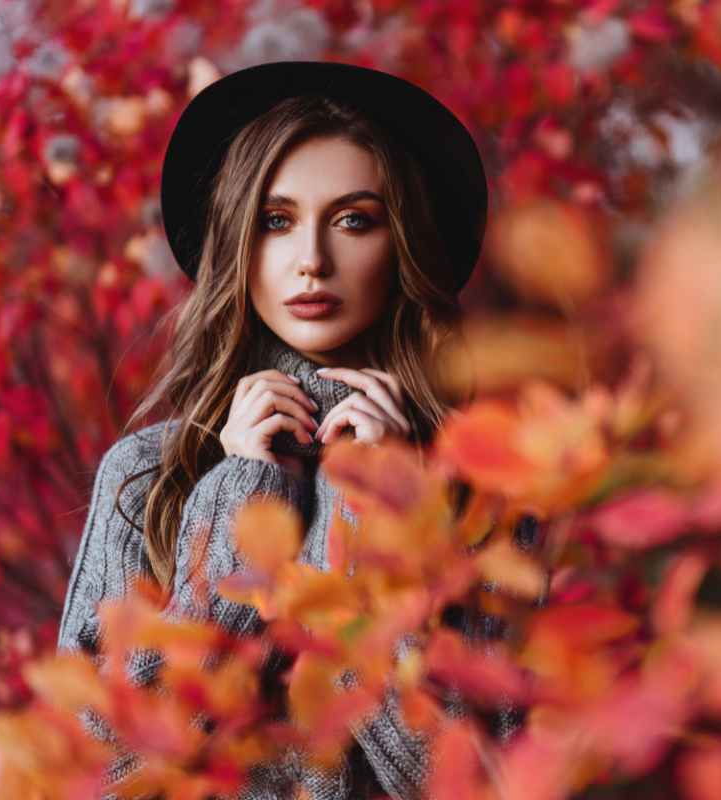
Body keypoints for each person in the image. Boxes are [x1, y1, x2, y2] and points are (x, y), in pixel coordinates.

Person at [56, 61, 528, 800]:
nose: (311, 260)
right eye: (276, 222)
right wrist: (241, 503)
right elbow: (90, 770)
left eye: (353, 220)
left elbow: (489, 783)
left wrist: (373, 509)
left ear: (401, 246)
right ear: (238, 246)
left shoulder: (488, 482)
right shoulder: (147, 474)